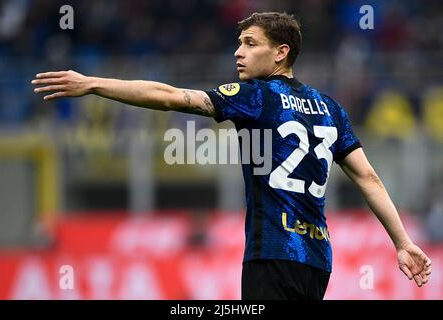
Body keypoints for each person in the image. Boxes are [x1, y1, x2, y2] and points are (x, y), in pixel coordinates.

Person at [32, 12, 431, 300]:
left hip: (271, 253)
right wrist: (402, 241)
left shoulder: (256, 97)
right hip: (317, 259)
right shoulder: (331, 108)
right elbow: (368, 178)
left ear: (281, 53)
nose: (238, 52)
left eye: (250, 44)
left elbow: (171, 97)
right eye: (239, 43)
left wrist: (94, 84)